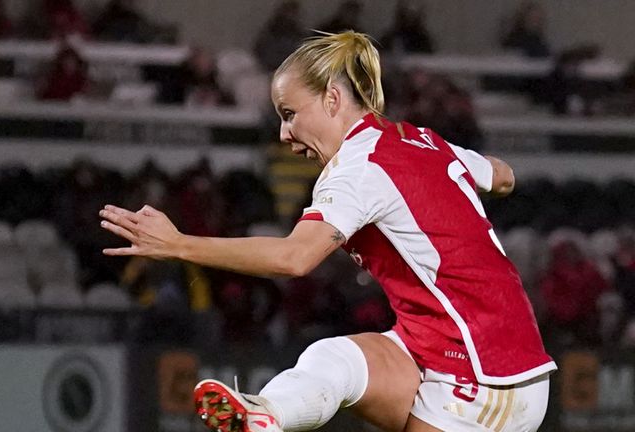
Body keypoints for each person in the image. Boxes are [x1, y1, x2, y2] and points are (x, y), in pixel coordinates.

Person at [99, 31, 556, 432]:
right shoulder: (417, 139)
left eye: (289, 113)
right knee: (334, 360)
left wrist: (179, 245)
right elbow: (504, 176)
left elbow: (293, 258)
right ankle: (266, 414)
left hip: (488, 373)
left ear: (333, 100)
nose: (283, 133)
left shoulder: (358, 168)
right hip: (433, 349)